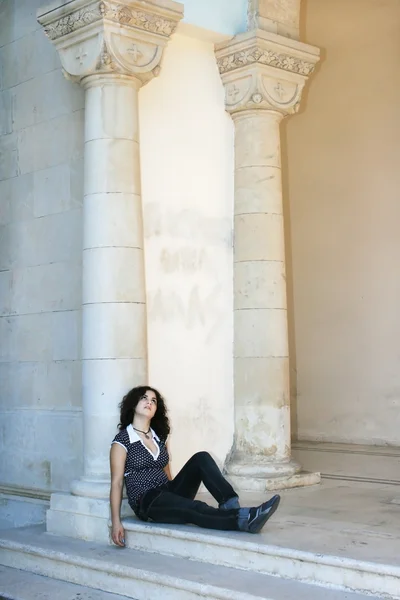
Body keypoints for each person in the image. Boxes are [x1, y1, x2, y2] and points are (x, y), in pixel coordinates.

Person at [110, 386, 281, 547]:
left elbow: (167, 472)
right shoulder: (123, 440)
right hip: (147, 501)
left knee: (202, 458)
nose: (149, 402)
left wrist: (176, 497)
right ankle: (244, 518)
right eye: (144, 398)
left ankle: (230, 504)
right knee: (196, 508)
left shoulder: (159, 437)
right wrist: (116, 522)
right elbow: (117, 483)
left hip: (167, 491)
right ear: (133, 404)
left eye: (154, 400)